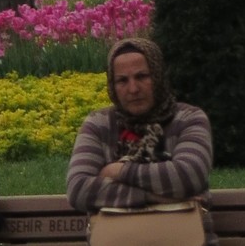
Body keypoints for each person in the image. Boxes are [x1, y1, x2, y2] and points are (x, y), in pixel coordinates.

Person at [67, 38, 214, 244]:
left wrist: (119, 171)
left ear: (158, 76)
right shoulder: (98, 125)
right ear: (112, 85)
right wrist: (156, 198)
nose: (133, 89)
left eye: (142, 76)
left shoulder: (189, 119)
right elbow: (79, 189)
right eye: (122, 80)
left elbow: (188, 176)